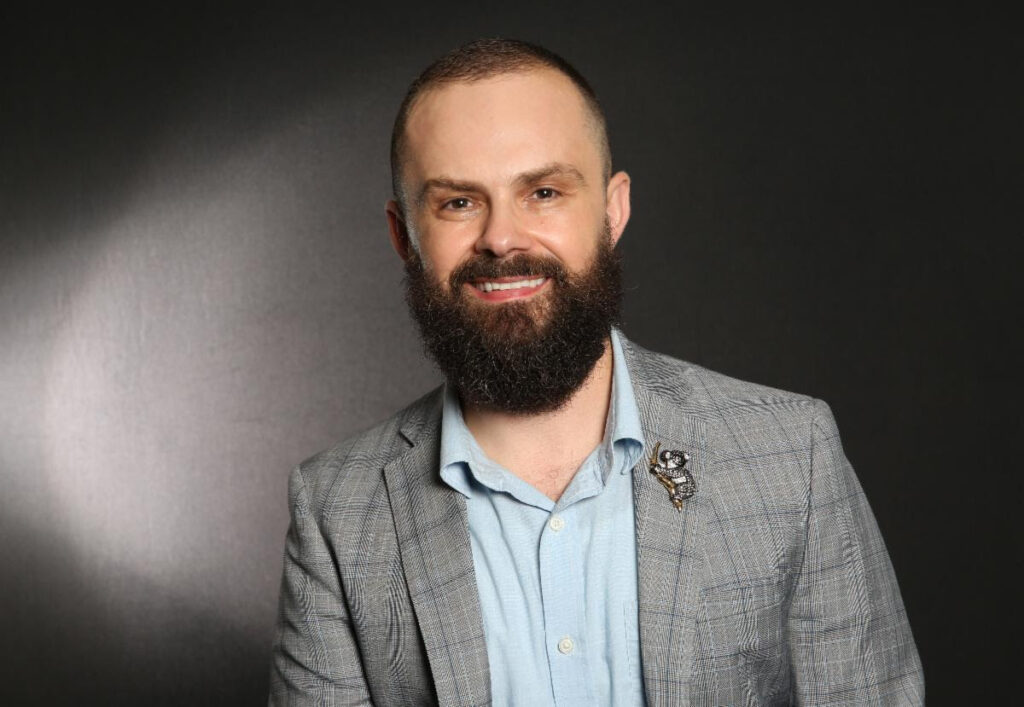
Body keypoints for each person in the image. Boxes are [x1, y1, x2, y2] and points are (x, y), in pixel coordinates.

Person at [268, 38, 923, 705]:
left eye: (544, 192)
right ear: (403, 235)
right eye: (458, 202)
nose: (502, 238)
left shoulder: (791, 456)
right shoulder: (336, 512)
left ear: (613, 211)